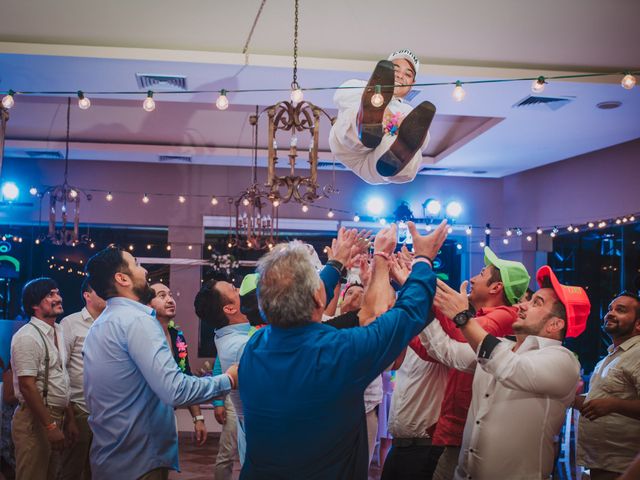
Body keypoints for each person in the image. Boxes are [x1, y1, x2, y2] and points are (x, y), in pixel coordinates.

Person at [239, 220, 448, 479]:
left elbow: (300, 296)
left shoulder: (255, 347)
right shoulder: (339, 351)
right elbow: (407, 312)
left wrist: (336, 263)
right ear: (318, 299)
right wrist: (422, 259)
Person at [83, 246, 238, 480]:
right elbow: (175, 390)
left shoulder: (102, 323)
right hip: (138, 459)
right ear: (122, 278)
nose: (144, 270)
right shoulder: (138, 321)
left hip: (111, 455)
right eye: (136, 264)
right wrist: (228, 379)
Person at [423, 265, 590, 480]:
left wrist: (462, 317)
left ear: (555, 324)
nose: (521, 305)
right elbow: (448, 352)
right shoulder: (502, 345)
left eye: (535, 303)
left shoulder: (563, 360)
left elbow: (510, 368)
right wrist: (422, 304)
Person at [407, 246, 530, 480]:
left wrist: (424, 286)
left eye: (482, 273)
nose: (473, 278)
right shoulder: (480, 317)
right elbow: (434, 351)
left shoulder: (506, 315)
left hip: (466, 432)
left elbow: (459, 335)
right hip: (453, 428)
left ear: (496, 287)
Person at [329, 49, 436, 185]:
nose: (400, 76)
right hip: (349, 147)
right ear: (385, 73)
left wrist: (405, 129)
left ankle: (398, 157)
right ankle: (369, 120)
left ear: (412, 85)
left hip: (377, 164)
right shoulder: (360, 86)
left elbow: (424, 141)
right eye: (395, 70)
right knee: (355, 110)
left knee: (412, 154)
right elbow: (340, 96)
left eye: (407, 74)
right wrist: (385, 113)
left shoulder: (409, 111)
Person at [10, 278, 76, 480]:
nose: (58, 298)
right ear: (34, 305)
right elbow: (27, 386)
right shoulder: (27, 336)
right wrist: (50, 426)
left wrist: (70, 419)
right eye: (50, 295)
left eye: (57, 292)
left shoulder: (58, 331)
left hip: (56, 417)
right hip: (34, 420)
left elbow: (60, 379)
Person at [575, 291, 640, 480]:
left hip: (625, 467)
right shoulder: (612, 356)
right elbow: (598, 403)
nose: (610, 313)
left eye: (620, 310)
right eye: (610, 309)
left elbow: (609, 403)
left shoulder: (637, 354)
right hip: (602, 463)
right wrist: (569, 398)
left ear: (638, 323)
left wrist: (613, 405)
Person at [149, 282, 208, 446]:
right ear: (147, 304)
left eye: (171, 295)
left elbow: (185, 376)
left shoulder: (177, 337)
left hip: (168, 416)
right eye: (162, 296)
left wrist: (198, 418)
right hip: (143, 419)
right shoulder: (143, 336)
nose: (170, 300)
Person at [58, 279, 106, 480]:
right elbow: (61, 368)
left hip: (106, 411)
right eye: (100, 291)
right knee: (72, 468)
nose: (106, 294)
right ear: (87, 295)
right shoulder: (70, 323)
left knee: (98, 470)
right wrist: (69, 413)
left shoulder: (112, 322)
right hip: (80, 407)